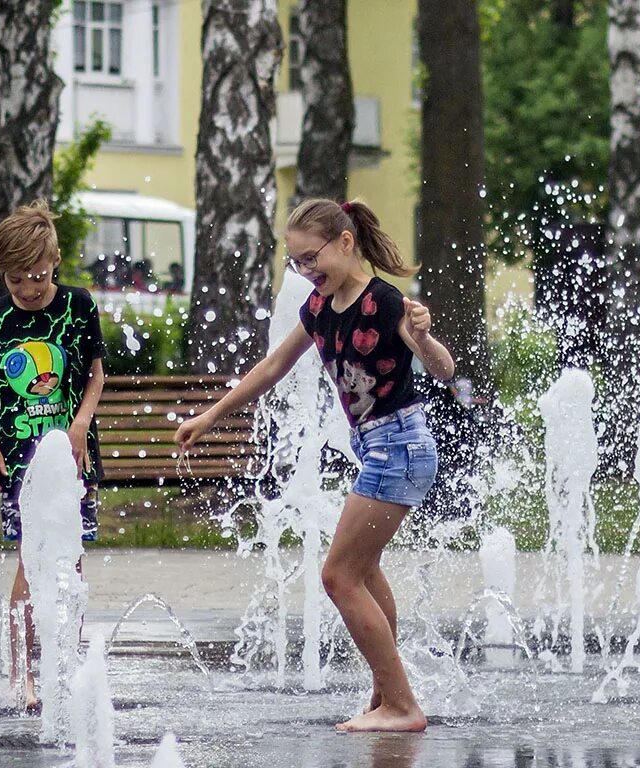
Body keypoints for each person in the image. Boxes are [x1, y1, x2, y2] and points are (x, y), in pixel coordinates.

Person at [174, 198, 454, 733]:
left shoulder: (385, 302)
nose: (306, 272)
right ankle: (385, 696)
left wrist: (422, 333)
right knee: (363, 571)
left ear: (345, 243)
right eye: (296, 263)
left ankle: (401, 705)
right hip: (378, 447)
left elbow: (443, 369)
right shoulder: (319, 309)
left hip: (401, 445)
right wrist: (209, 417)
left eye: (311, 259)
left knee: (337, 576)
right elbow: (275, 365)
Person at [0, 200, 106, 711]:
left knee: (72, 565)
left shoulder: (79, 306)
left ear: (56, 259)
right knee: (28, 562)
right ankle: (22, 677)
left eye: (37, 277)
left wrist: (81, 423)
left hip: (72, 462)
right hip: (16, 462)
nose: (27, 289)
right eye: (16, 280)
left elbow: (94, 375)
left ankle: (65, 664)